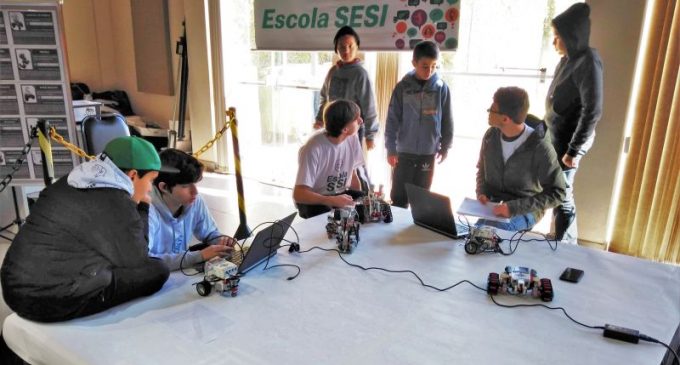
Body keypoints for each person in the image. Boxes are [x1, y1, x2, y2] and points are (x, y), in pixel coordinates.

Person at [1, 137, 176, 322]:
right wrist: (142, 207)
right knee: (157, 270)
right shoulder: (117, 203)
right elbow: (138, 260)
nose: (150, 189)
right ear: (132, 175)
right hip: (50, 301)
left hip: (13, 289)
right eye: (151, 180)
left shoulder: (68, 181)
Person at [545, 3, 603, 243]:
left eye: (557, 37)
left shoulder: (588, 62)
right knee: (558, 192)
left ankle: (566, 246)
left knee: (563, 195)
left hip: (570, 141)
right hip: (557, 137)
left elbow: (592, 110)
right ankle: (559, 240)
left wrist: (574, 150)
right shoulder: (567, 60)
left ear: (571, 37)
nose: (554, 42)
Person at [476, 87, 566, 231]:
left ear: (505, 118)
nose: (488, 112)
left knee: (489, 232)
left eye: (492, 110)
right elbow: (481, 169)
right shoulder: (490, 137)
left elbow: (558, 192)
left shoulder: (540, 147)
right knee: (473, 234)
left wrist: (512, 208)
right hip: (495, 205)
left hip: (526, 209)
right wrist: (482, 192)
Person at [384, 40, 453, 208]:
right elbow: (392, 119)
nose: (429, 70)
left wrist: (445, 146)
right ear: (414, 63)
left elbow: (447, 120)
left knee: (421, 197)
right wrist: (391, 149)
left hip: (428, 152)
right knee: (399, 196)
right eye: (424, 66)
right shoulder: (402, 88)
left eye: (433, 66)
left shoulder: (441, 88)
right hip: (403, 152)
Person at [147, 149, 236, 271]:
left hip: (181, 272)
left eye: (194, 183)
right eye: (185, 186)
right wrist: (199, 256)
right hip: (157, 278)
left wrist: (220, 241)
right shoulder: (146, 212)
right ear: (164, 187)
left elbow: (209, 233)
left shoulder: (194, 200)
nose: (195, 192)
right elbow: (146, 262)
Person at [295, 99, 365, 218]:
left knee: (367, 205)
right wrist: (331, 200)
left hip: (340, 194)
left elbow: (352, 174)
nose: (361, 120)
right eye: (356, 118)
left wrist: (359, 201)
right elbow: (299, 194)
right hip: (315, 199)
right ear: (344, 129)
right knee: (330, 216)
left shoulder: (352, 138)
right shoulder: (313, 148)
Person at [314, 26, 378, 150]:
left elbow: (369, 105)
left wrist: (370, 135)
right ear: (336, 49)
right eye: (342, 47)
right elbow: (324, 97)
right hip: (332, 127)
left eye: (350, 46)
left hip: (352, 129)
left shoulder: (361, 73)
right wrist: (319, 119)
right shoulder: (333, 71)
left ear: (357, 47)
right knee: (334, 163)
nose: (346, 51)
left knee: (352, 166)